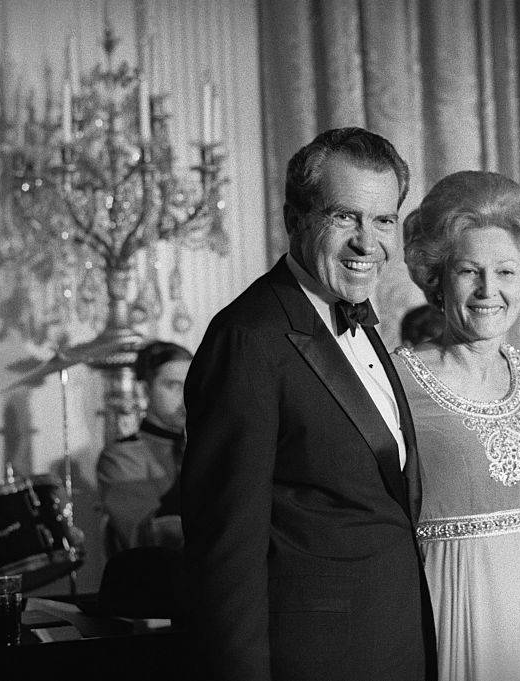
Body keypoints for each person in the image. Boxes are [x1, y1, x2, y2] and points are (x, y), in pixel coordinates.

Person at [181, 127, 434, 681]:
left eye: (383, 220)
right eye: (345, 217)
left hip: (391, 646)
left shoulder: (357, 314)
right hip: (314, 660)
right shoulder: (249, 338)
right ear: (296, 219)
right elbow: (226, 553)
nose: (368, 243)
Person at [393, 171, 520, 681]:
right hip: (450, 598)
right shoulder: (397, 378)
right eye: (468, 272)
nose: (488, 290)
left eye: (505, 272)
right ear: (436, 278)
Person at [97, 340, 191, 554]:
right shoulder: (121, 456)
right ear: (144, 389)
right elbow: (146, 537)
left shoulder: (204, 445)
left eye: (192, 383)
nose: (186, 395)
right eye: (174, 386)